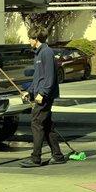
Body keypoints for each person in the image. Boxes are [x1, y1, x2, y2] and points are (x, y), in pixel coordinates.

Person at [20, 26, 66, 168]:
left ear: (36, 39)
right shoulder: (38, 54)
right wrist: (30, 91)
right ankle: (58, 156)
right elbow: (37, 77)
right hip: (40, 94)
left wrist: (42, 93)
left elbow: (50, 77)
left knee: (36, 123)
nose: (28, 41)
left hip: (45, 96)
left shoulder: (46, 52)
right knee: (46, 125)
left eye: (30, 38)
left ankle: (36, 158)